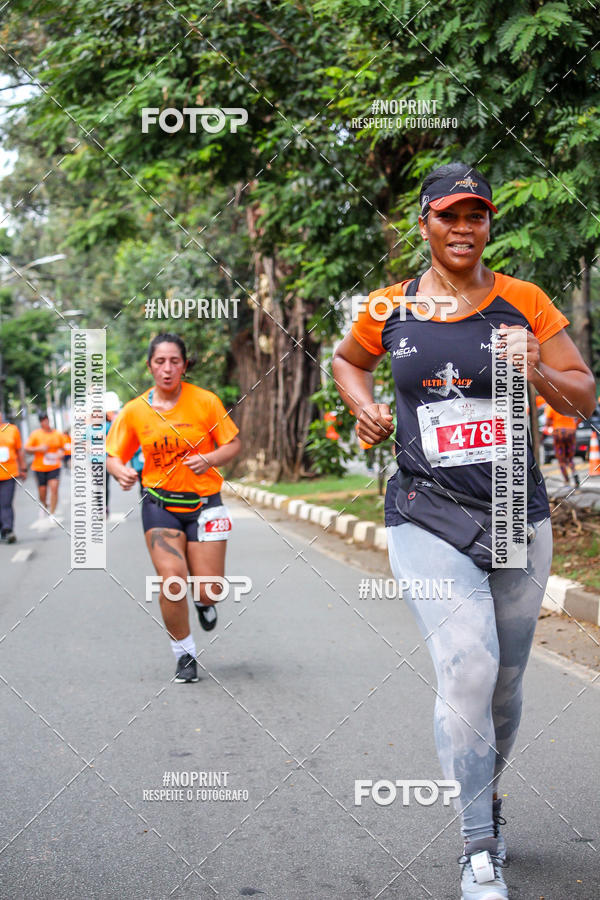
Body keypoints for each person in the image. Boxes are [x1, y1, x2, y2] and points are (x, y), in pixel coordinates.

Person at [332, 163, 596, 900]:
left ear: (488, 226)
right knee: (468, 668)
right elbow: (348, 362)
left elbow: (582, 396)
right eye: (449, 216)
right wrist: (362, 405)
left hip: (515, 507)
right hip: (427, 508)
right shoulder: (388, 307)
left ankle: (489, 796)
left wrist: (539, 367)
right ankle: (478, 847)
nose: (463, 228)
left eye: (475, 216)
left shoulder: (525, 303)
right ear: (424, 225)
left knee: (506, 687)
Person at [106, 334, 241, 684]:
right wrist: (118, 469)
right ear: (150, 366)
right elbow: (112, 455)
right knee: (172, 579)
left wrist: (209, 458)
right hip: (159, 503)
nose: (167, 369)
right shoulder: (135, 411)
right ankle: (184, 654)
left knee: (209, 588)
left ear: (184, 364)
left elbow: (233, 444)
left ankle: (204, 601)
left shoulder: (205, 402)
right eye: (160, 362)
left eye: (174, 361)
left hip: (206, 503)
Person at [25, 412, 65, 520]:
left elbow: (63, 448)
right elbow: (27, 449)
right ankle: (45, 505)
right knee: (42, 492)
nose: (45, 421)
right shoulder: (35, 434)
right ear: (40, 422)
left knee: (54, 489)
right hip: (39, 467)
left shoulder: (57, 434)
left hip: (54, 466)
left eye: (46, 419)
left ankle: (52, 513)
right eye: (43, 420)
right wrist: (38, 449)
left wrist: (61, 453)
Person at [0, 411, 26, 543]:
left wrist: (23, 468)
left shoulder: (12, 430)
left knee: (5, 502)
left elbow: (19, 450)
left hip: (9, 474)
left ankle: (8, 529)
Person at [544, 403, 580, 486]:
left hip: (559, 432)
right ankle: (574, 473)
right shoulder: (569, 403)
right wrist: (574, 425)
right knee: (570, 458)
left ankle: (566, 480)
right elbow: (579, 417)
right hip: (571, 432)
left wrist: (550, 426)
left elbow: (548, 422)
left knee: (561, 459)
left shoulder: (551, 405)